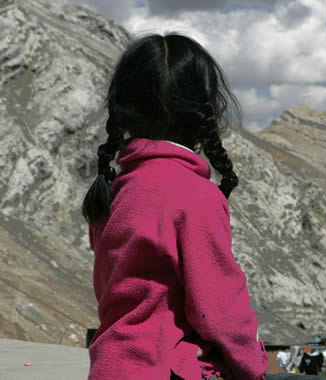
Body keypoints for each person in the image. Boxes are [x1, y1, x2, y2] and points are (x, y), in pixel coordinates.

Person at [82, 33, 268, 379]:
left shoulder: (112, 190)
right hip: (165, 368)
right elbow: (218, 311)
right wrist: (255, 364)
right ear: (206, 110)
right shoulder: (195, 195)